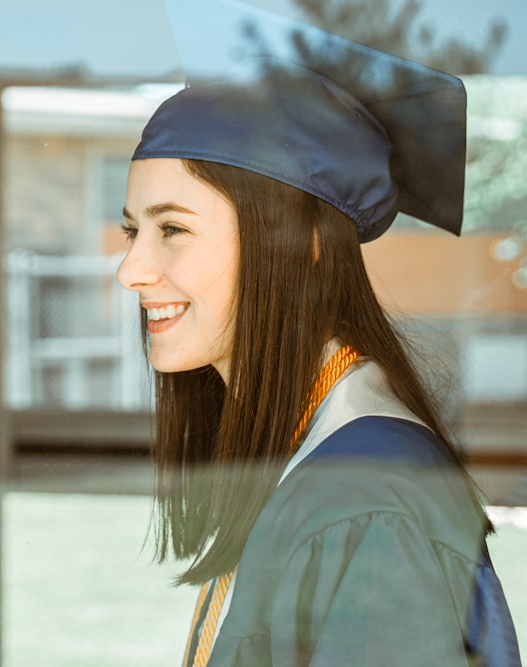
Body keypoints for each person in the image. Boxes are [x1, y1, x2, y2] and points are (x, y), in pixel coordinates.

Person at [115, 10, 521, 667]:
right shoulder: (306, 454)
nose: (130, 269)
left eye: (173, 229)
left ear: (296, 240)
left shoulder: (370, 500)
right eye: (134, 229)